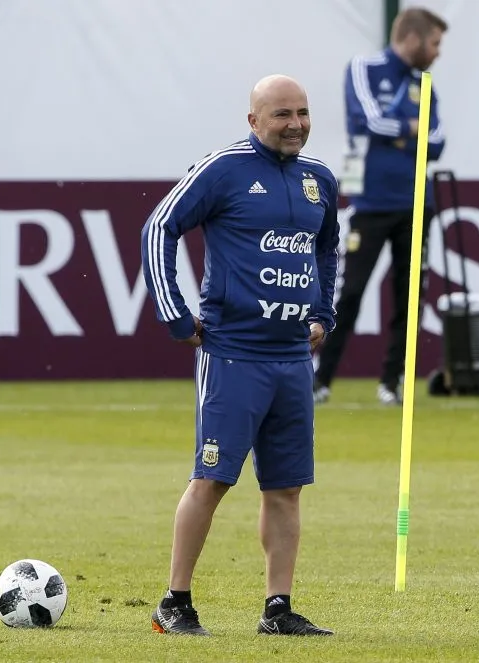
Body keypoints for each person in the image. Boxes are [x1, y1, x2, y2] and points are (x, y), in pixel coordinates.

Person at [140, 74, 340, 636]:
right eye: (281, 114)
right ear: (253, 120)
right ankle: (174, 602)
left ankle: (278, 609)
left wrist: (323, 313)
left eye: (302, 112)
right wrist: (175, 314)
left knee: (285, 487)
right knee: (212, 478)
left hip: (292, 360)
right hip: (233, 354)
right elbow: (160, 227)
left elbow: (326, 250)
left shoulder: (318, 180)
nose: (295, 123)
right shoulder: (222, 170)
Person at [314, 6, 447, 406]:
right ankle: (321, 380)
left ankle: (392, 382)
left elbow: (437, 142)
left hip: (417, 204)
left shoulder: (425, 84)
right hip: (370, 202)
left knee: (410, 298)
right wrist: (411, 127)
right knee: (350, 292)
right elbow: (367, 123)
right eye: (435, 43)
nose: (438, 53)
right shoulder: (364, 68)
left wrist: (403, 130)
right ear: (413, 37)